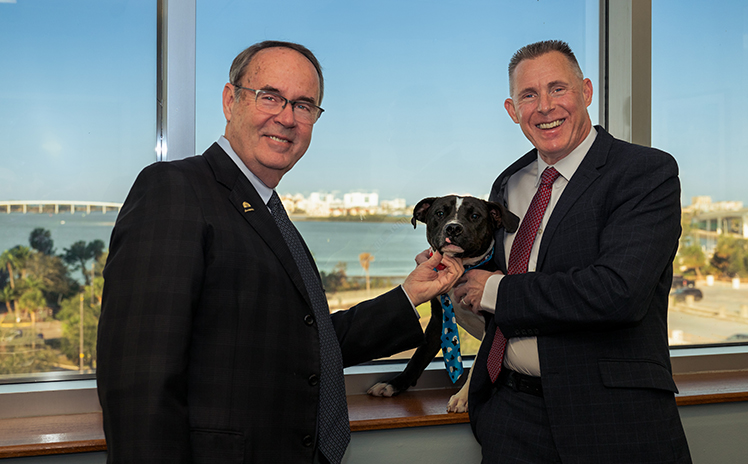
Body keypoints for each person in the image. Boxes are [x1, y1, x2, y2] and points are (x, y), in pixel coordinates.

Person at [96, 40, 462, 464]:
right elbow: (140, 385)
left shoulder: (268, 210)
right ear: (230, 100)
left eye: (304, 106)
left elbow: (310, 342)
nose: (287, 117)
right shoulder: (175, 189)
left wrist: (409, 295)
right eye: (270, 97)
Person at [453, 40, 692, 463]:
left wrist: (493, 290)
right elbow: (496, 289)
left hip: (613, 421)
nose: (545, 106)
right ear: (513, 111)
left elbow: (619, 292)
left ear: (586, 92)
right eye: (529, 95)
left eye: (557, 89)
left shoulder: (645, 172)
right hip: (510, 417)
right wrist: (457, 276)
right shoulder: (507, 184)